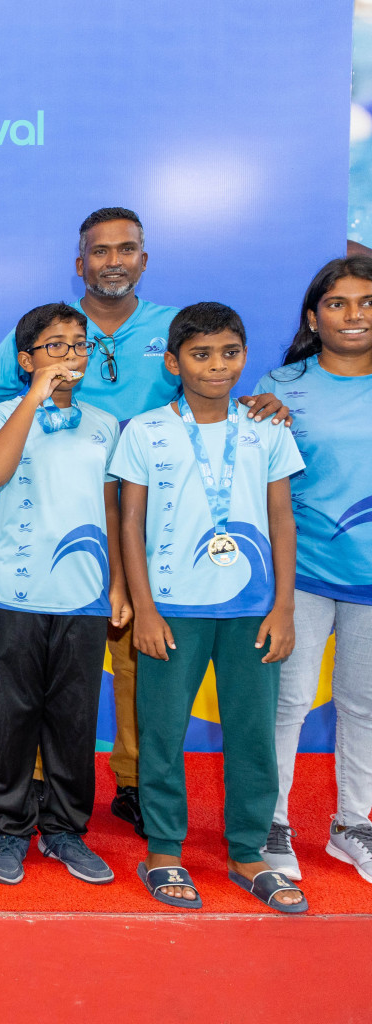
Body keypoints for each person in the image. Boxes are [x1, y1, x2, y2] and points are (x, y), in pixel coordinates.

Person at [0, 207, 289, 839]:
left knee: (138, 660)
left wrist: (263, 401)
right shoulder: (47, 330)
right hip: (57, 524)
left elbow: (214, 382)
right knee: (50, 674)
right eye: (99, 252)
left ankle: (131, 783)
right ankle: (39, 787)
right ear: (80, 263)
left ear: (143, 259)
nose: (113, 261)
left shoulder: (172, 327)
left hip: (160, 525)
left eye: (126, 249)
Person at [115, 301, 306, 912]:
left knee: (253, 733)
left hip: (252, 608)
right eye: (200, 355)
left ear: (245, 357)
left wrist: (284, 608)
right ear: (174, 362)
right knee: (162, 731)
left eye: (229, 353)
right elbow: (131, 521)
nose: (216, 366)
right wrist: (143, 608)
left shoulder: (267, 429)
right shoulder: (145, 431)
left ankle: (248, 853)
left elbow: (281, 519)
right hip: (173, 607)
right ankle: (164, 850)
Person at [0, 302, 130, 887]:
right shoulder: (2, 416)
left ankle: (64, 830)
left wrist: (117, 583)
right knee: (11, 718)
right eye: (55, 345)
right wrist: (33, 400)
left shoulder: (103, 425)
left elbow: (113, 511)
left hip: (83, 596)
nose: (69, 355)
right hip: (13, 595)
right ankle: (10, 829)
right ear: (26, 359)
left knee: (73, 719)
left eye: (78, 344)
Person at [258, 256, 372, 886]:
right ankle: (272, 824)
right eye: (338, 303)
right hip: (302, 571)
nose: (353, 316)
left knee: (364, 705)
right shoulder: (283, 385)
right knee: (290, 702)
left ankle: (353, 825)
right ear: (313, 316)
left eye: (366, 303)